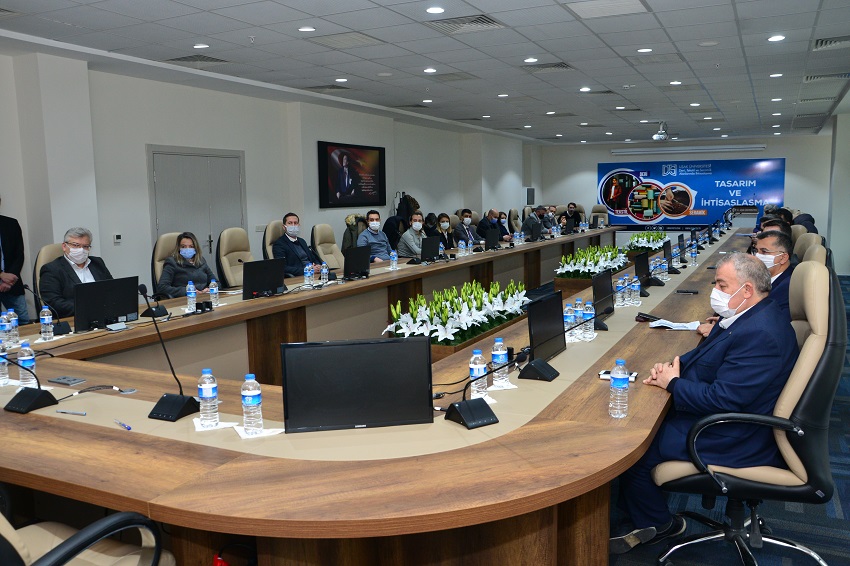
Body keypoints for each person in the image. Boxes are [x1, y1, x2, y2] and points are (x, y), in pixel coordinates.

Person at [610, 253, 799, 554]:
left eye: (722, 285)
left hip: (734, 435)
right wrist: (673, 367)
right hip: (729, 417)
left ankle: (659, 525)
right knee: (642, 423)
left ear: (747, 290)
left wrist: (673, 383)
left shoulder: (761, 333)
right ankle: (633, 515)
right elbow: (706, 356)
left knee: (634, 447)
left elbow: (723, 399)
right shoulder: (748, 315)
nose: (716, 292)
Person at [697, 231, 795, 337]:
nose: (758, 256)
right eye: (756, 251)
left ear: (783, 258)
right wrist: (730, 320)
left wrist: (727, 328)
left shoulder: (788, 287)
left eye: (764, 252)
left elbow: (768, 322)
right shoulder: (772, 277)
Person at [40, 227, 113, 319]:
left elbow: (112, 289)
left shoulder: (97, 263)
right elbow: (54, 303)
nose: (81, 250)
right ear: (64, 246)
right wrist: (91, 307)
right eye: (76, 245)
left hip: (105, 317)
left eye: (85, 246)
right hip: (74, 319)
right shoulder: (52, 269)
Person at [156, 232, 217, 297]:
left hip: (205, 297)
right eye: (183, 247)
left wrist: (209, 289)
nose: (187, 249)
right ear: (178, 248)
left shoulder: (201, 261)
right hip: (186, 299)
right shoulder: (172, 262)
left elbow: (216, 282)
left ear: (196, 248)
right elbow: (162, 288)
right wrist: (187, 291)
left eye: (191, 246)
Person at [0, 200, 30, 323]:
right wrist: (1, 275)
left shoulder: (11, 223)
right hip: (5, 277)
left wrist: (9, 278)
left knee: (23, 320)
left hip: (12, 282)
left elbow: (19, 254)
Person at [272, 213, 324, 277]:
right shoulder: (279, 244)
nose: (293, 225)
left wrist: (318, 265)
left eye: (295, 223)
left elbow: (313, 258)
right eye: (290, 223)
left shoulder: (302, 241)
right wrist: (307, 270)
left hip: (314, 274)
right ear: (284, 227)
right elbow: (282, 267)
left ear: (298, 225)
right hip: (299, 276)